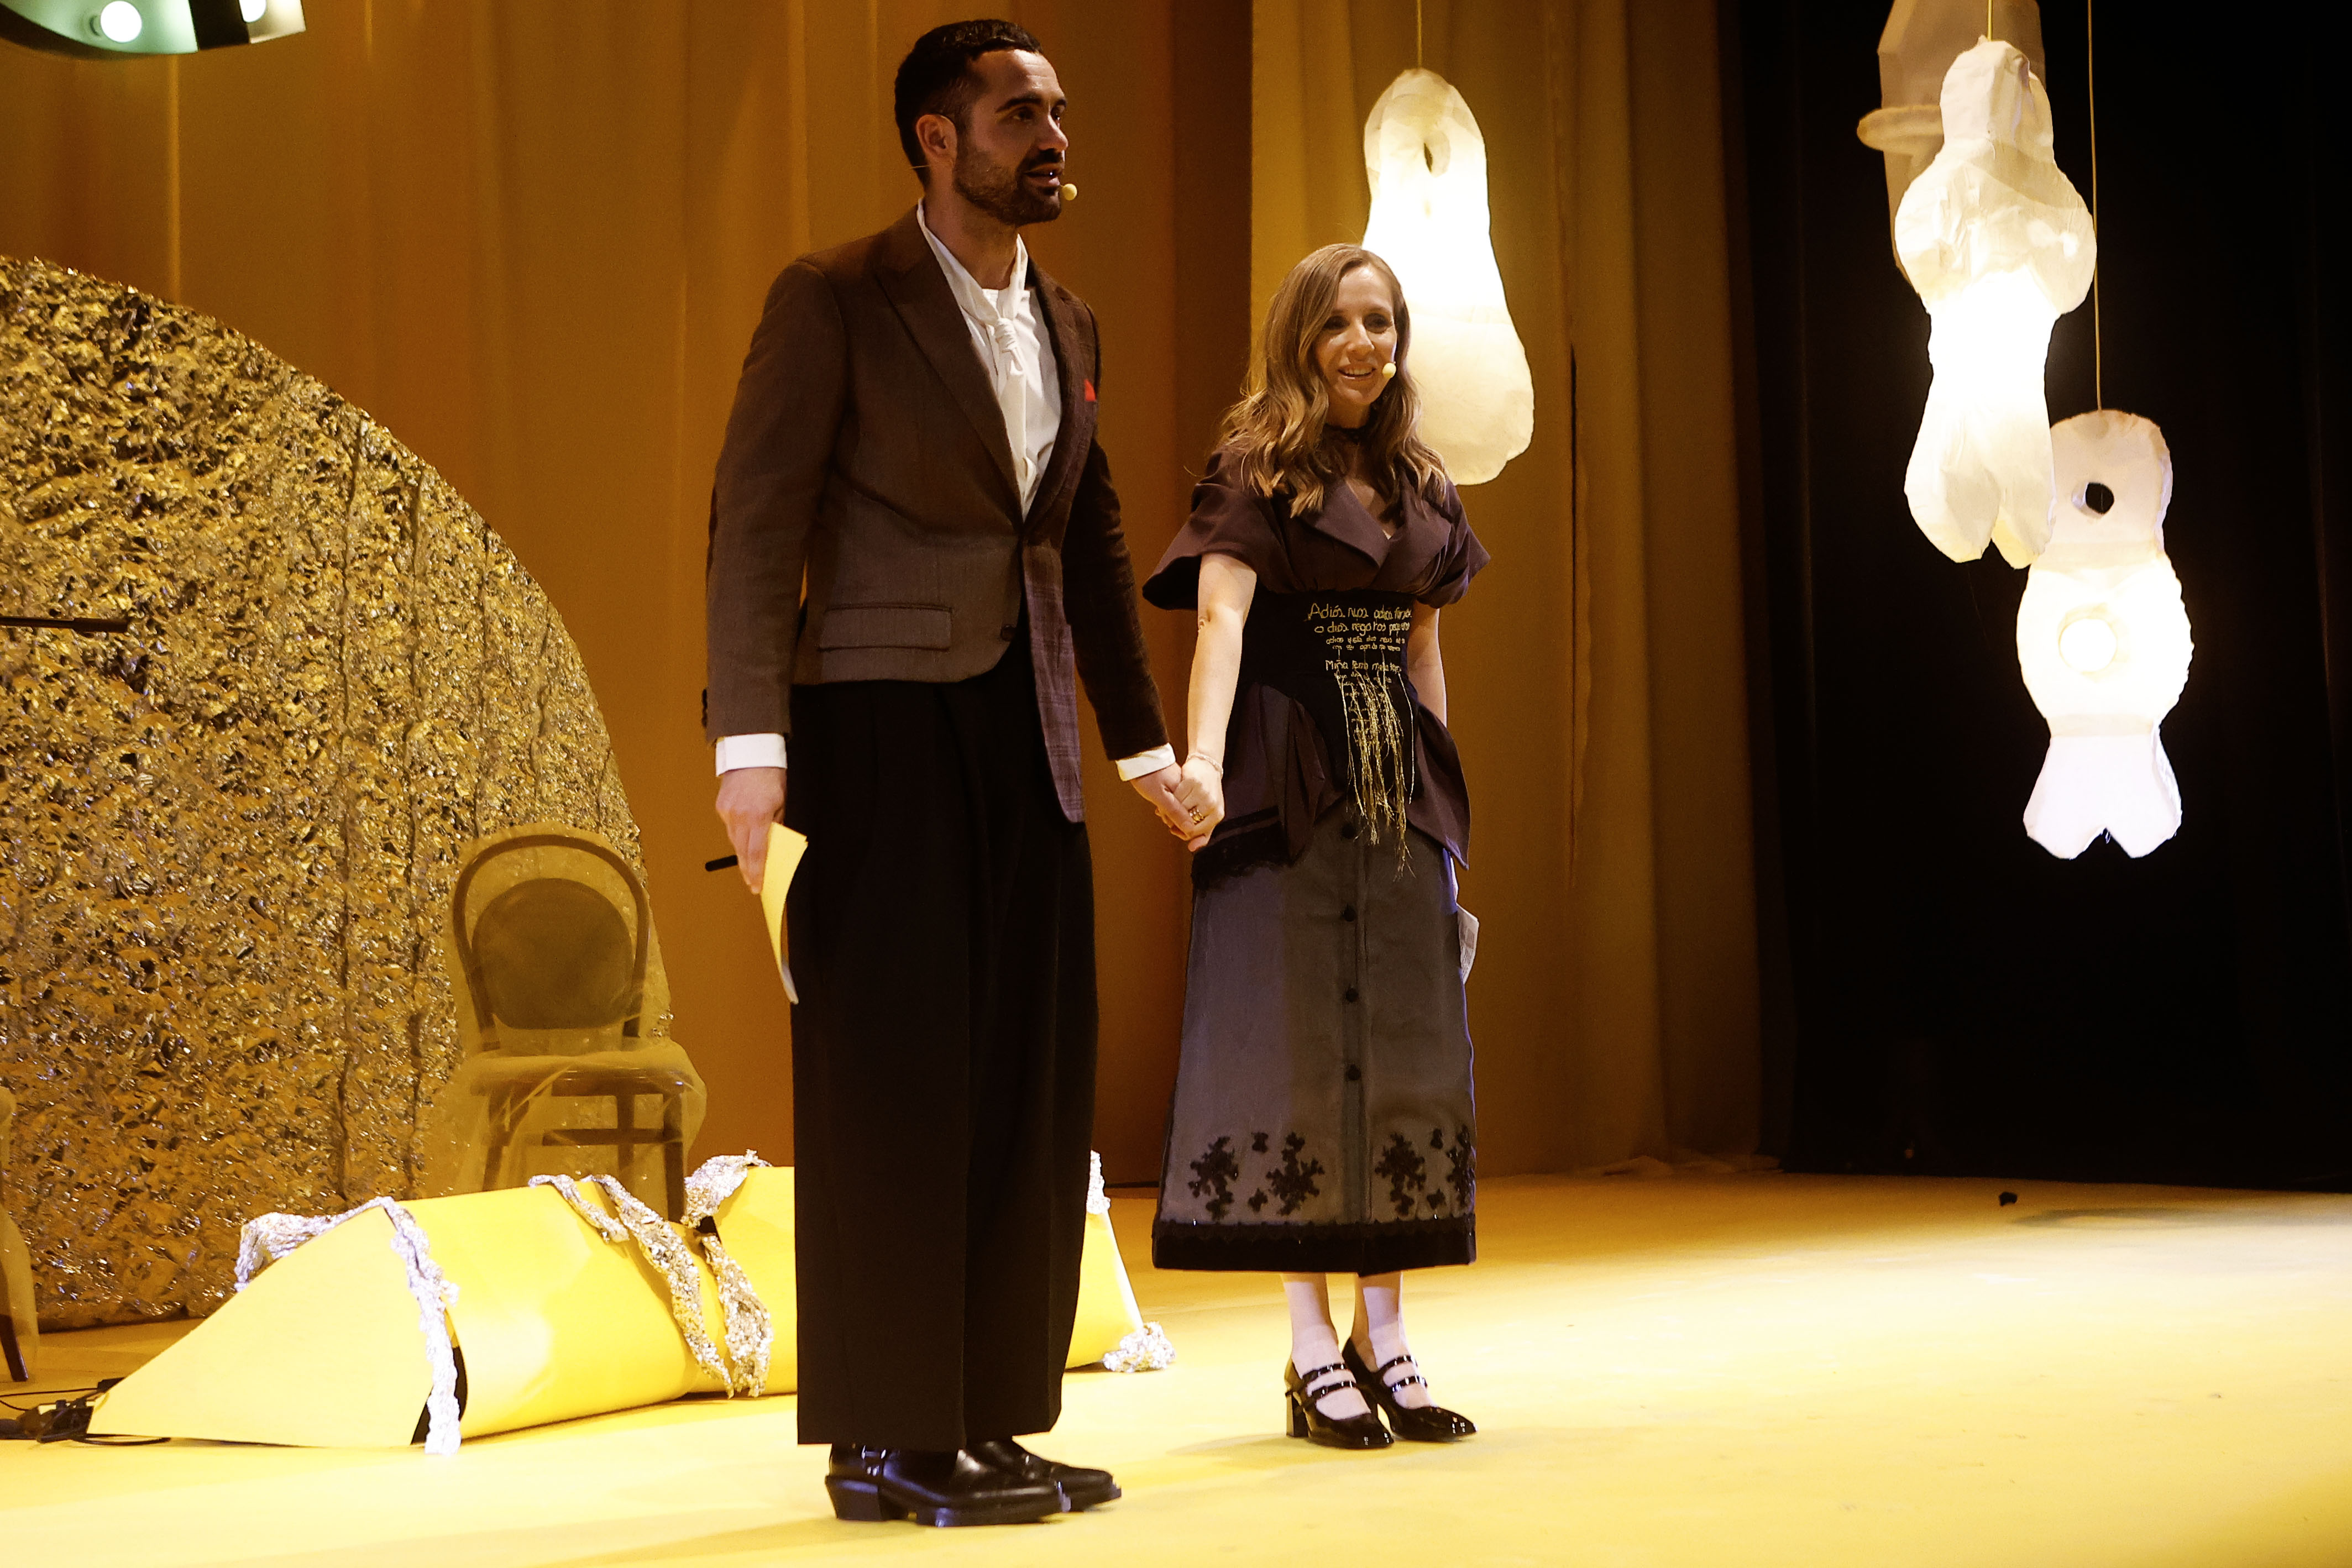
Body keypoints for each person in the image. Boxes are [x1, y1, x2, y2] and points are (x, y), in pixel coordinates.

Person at [704, 19, 1187, 1528]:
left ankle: (984, 1415)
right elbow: (754, 520)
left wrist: (1143, 743)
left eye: (1058, 110)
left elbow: (1088, 539)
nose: (1054, 137)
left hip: (1026, 729)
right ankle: (891, 1431)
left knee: (1024, 1080)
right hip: (875, 728)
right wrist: (749, 748)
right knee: (897, 1086)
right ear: (937, 138)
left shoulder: (1070, 320)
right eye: (1020, 113)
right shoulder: (838, 296)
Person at [1144, 244, 1488, 1449]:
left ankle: (1384, 1338)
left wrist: (1445, 814)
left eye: (1380, 322)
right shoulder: (1257, 468)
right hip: (1285, 773)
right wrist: (1200, 761)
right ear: (1301, 338)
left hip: (1397, 787)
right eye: (1339, 322)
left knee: (1400, 1051)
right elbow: (1220, 620)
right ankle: (1307, 1345)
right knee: (1295, 1048)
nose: (1362, 343)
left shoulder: (1421, 480)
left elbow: (1425, 650)